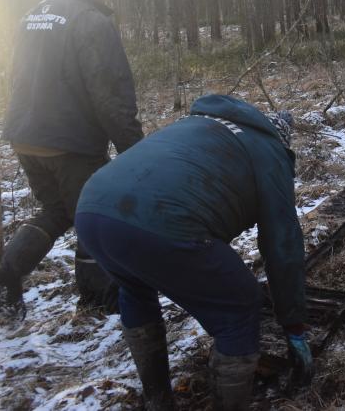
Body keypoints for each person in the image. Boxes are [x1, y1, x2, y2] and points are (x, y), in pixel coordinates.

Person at [74, 94, 311, 411]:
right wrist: (294, 329)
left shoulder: (197, 123)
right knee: (240, 306)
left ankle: (159, 401)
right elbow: (283, 245)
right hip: (160, 221)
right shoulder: (270, 152)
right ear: (280, 138)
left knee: (135, 287)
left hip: (91, 209)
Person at [0, 0, 142, 319]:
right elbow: (111, 94)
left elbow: (16, 75)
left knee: (56, 208)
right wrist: (134, 151)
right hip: (69, 143)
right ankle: (97, 300)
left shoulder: (34, 14)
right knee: (93, 211)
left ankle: (5, 275)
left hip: (25, 135)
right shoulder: (91, 21)